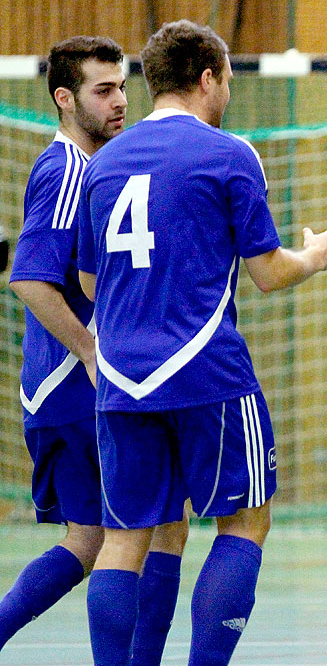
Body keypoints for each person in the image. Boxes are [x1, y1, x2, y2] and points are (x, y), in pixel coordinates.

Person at [76, 20, 327, 666]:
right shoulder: (229, 154)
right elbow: (267, 271)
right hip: (205, 372)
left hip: (118, 375)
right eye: (225, 79)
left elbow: (87, 279)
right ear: (208, 78)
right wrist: (314, 256)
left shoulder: (104, 162)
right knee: (244, 522)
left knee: (124, 538)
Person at [3, 36, 188, 664]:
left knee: (98, 540)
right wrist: (88, 352)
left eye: (123, 86)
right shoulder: (68, 171)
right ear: (65, 98)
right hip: (77, 389)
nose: (120, 101)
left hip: (64, 391)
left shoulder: (100, 168)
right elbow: (29, 278)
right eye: (103, 90)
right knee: (150, 529)